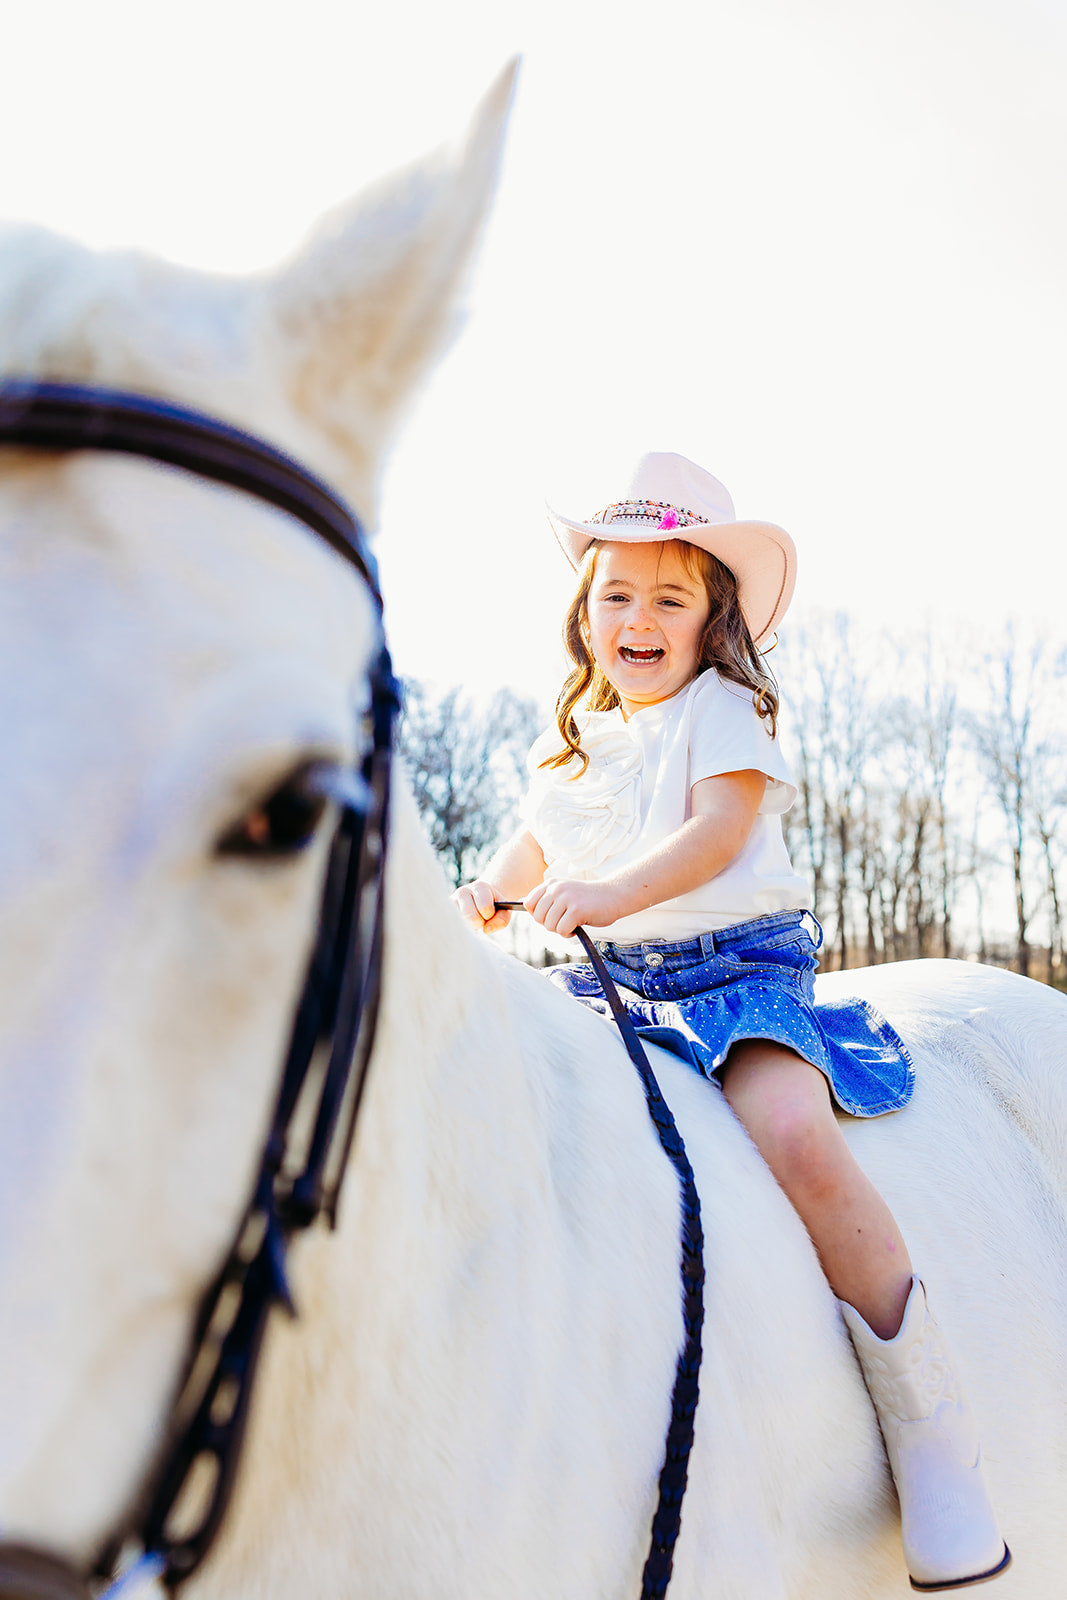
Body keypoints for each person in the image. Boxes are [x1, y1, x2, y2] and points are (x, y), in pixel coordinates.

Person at [452, 451, 1009, 1593]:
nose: (637, 619)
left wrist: (606, 894)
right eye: (617, 593)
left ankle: (927, 1426)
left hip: (731, 972)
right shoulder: (578, 735)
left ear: (712, 621)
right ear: (584, 613)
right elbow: (536, 843)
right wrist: (486, 894)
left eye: (669, 598)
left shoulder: (723, 709)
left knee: (794, 1134)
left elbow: (714, 836)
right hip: (608, 984)